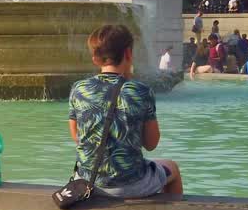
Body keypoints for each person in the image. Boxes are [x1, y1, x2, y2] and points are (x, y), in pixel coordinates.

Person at [69, 24, 182, 199]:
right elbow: (151, 144)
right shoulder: (140, 91)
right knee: (172, 167)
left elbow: (77, 137)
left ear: (95, 59)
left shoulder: (79, 89)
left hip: (86, 182)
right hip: (130, 185)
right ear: (128, 54)